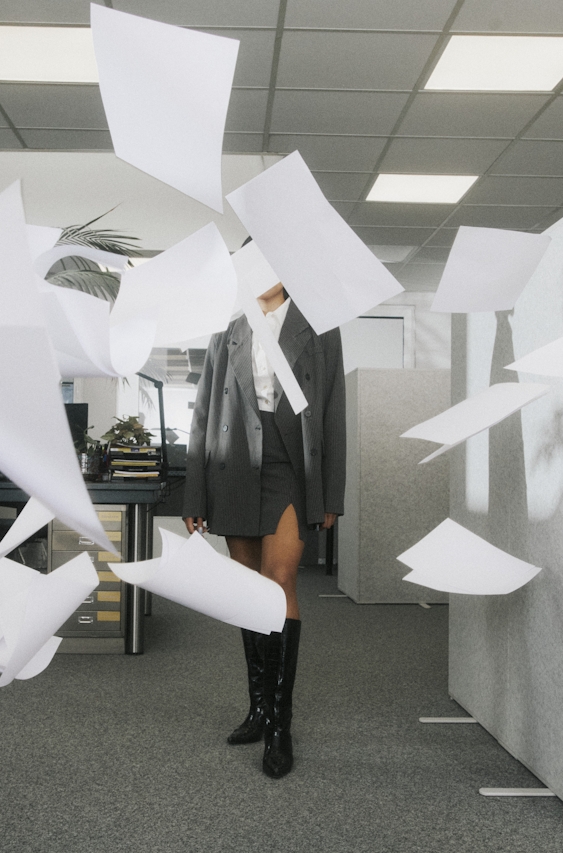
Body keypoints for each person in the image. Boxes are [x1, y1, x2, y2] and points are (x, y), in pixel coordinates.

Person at [183, 276, 346, 779]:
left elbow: (334, 409)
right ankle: (257, 709)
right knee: (249, 590)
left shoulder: (319, 323)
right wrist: (195, 492)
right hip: (232, 464)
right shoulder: (227, 326)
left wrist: (331, 493)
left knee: (279, 584)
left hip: (291, 467)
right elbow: (204, 410)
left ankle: (280, 723)